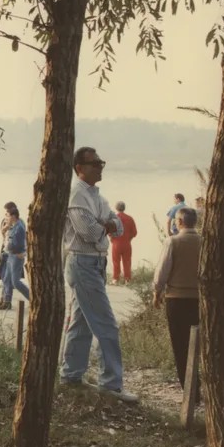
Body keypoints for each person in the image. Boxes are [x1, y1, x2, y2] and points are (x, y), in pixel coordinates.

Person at [60, 147, 139, 404]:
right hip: (82, 262)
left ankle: (71, 374)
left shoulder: (95, 195)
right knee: (106, 324)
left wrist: (105, 224)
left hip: (95, 262)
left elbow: (117, 225)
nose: (100, 167)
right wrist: (106, 224)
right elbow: (90, 232)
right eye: (94, 163)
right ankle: (111, 384)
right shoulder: (77, 195)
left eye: (100, 162)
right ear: (79, 168)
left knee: (81, 321)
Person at [152, 207, 201, 389]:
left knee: (180, 345)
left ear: (179, 222)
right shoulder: (204, 242)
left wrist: (157, 292)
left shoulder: (172, 242)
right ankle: (199, 383)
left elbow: (162, 271)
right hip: (199, 299)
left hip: (177, 299)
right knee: (198, 343)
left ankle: (189, 389)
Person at [0, 206, 29, 310]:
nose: (6, 217)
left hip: (16, 257)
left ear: (13, 216)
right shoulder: (13, 225)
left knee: (16, 283)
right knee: (5, 279)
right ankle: (6, 302)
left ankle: (33, 299)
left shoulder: (20, 227)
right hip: (10, 255)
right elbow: (7, 239)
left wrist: (24, 253)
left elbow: (25, 242)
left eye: (7, 215)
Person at [110, 200, 138, 285]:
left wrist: (112, 239)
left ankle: (115, 279)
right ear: (124, 208)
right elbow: (134, 233)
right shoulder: (130, 218)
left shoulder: (113, 218)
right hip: (127, 243)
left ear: (116, 208)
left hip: (116, 243)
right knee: (127, 262)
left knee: (116, 261)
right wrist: (129, 238)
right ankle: (127, 279)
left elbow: (109, 232)